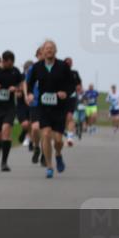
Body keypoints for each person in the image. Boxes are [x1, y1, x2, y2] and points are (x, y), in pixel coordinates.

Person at [25, 40, 72, 178]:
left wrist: (65, 93)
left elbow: (71, 84)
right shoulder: (37, 67)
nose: (49, 50)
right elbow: (29, 83)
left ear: (55, 50)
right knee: (45, 134)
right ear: (43, 51)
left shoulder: (63, 66)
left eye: (51, 48)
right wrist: (30, 94)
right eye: (46, 48)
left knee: (58, 140)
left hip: (59, 107)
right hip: (43, 107)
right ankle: (49, 166)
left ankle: (58, 154)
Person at [0, 50, 25, 171]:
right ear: (4, 61)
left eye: (12, 64)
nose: (11, 66)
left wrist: (16, 88)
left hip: (9, 107)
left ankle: (4, 162)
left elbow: (22, 84)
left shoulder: (15, 71)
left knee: (6, 131)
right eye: (9, 64)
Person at [63, 57, 82, 146]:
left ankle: (70, 137)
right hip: (61, 99)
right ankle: (65, 131)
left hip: (72, 97)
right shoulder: (59, 73)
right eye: (67, 62)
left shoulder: (75, 73)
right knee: (63, 118)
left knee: (70, 116)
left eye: (70, 62)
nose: (68, 64)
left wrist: (79, 88)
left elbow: (79, 84)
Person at [17, 59, 34, 146]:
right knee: (25, 124)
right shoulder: (20, 77)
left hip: (32, 103)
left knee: (31, 122)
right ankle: (24, 133)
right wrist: (18, 91)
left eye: (31, 69)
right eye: (27, 69)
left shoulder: (35, 77)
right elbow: (16, 89)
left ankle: (29, 139)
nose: (29, 70)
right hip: (21, 104)